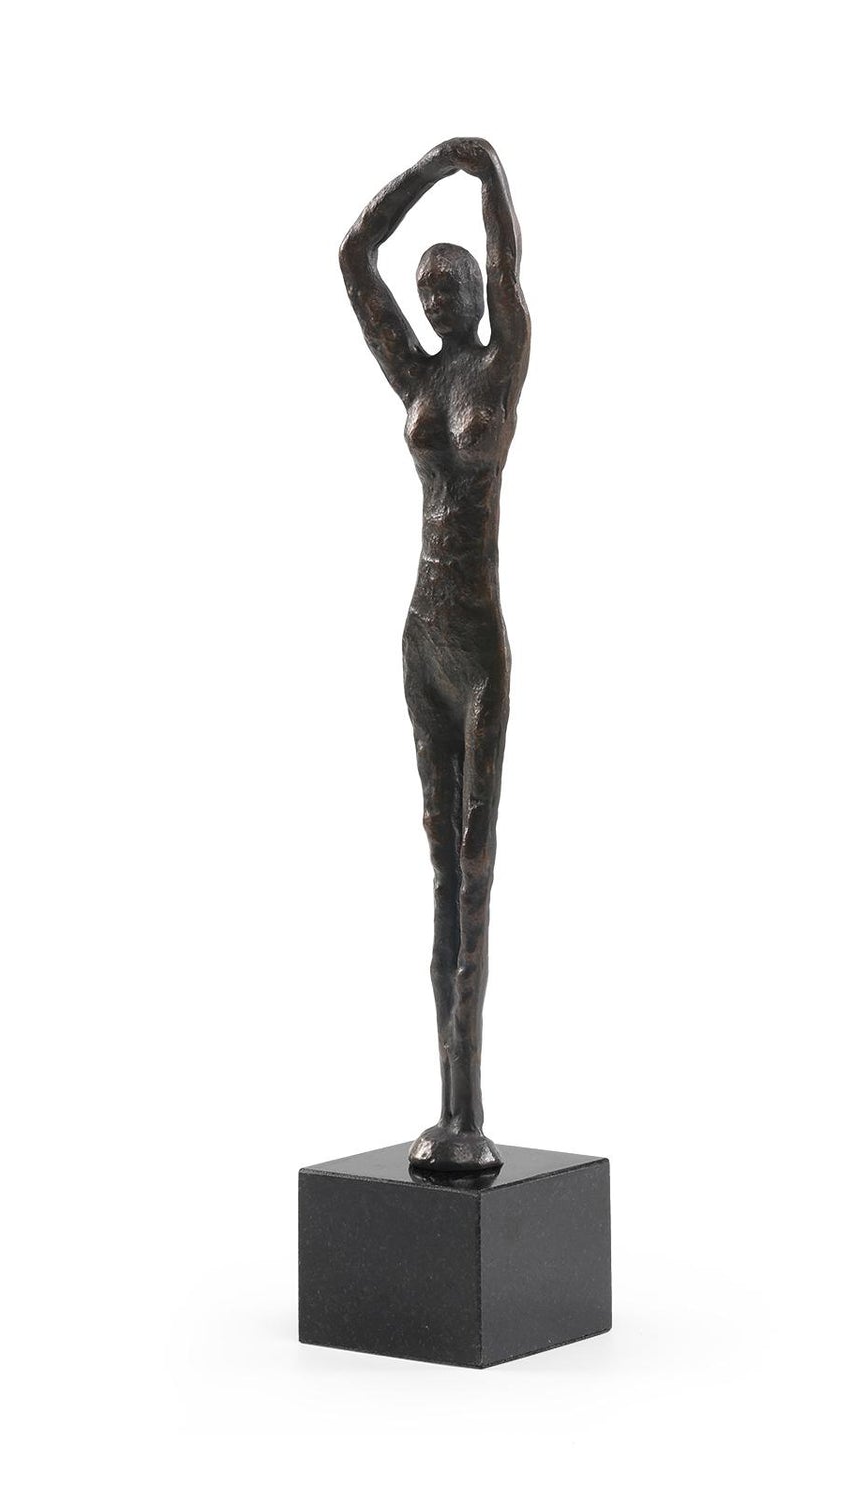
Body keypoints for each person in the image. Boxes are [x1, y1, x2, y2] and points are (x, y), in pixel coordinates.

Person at [339, 137, 531, 1171]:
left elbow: (507, 256)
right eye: (427, 289)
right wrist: (423, 174)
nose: (437, 297)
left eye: (450, 283)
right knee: (436, 870)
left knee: (475, 863)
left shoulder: (503, 362)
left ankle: (470, 1114)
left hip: (479, 648)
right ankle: (450, 1110)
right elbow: (352, 258)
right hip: (423, 635)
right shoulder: (413, 376)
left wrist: (480, 166)